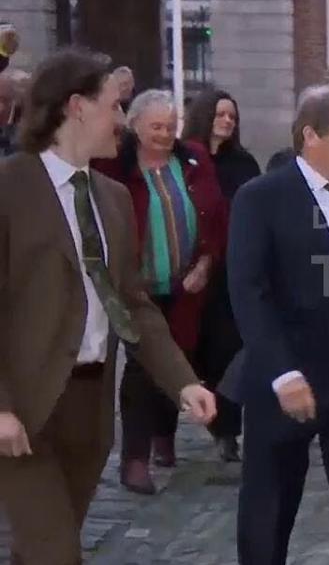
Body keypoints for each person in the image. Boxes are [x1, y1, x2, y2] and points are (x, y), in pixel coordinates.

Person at [0, 48, 217, 565]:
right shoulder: (10, 187)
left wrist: (184, 381)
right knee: (56, 554)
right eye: (114, 107)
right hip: (25, 411)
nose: (121, 120)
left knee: (46, 548)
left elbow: (135, 306)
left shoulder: (114, 197)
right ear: (76, 107)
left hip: (90, 408)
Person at [228, 84, 329, 565]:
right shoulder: (260, 198)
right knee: (268, 520)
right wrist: (283, 373)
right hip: (285, 385)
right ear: (310, 136)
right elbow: (248, 292)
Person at [91, 89, 226, 494]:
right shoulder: (115, 166)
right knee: (139, 368)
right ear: (134, 127)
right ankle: (135, 458)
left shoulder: (194, 159)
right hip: (136, 287)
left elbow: (216, 217)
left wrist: (205, 264)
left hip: (186, 284)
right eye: (156, 127)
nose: (165, 134)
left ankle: (164, 438)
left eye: (171, 126)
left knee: (177, 357)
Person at [183, 89, 261, 462]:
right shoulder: (184, 160)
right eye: (220, 115)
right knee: (194, 350)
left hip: (231, 269)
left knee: (227, 351)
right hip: (191, 269)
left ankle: (227, 430)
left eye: (232, 116)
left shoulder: (243, 163)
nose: (227, 121)